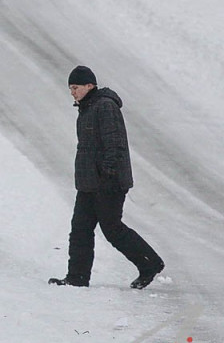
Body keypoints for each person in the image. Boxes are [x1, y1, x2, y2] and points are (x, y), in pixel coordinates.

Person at [49, 66, 164, 289]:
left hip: (107, 183)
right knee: (80, 229)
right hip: (89, 183)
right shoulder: (87, 108)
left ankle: (150, 263)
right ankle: (77, 278)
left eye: (75, 87)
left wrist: (108, 174)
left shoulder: (105, 107)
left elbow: (115, 143)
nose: (72, 92)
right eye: (70, 88)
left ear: (89, 86)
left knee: (112, 229)